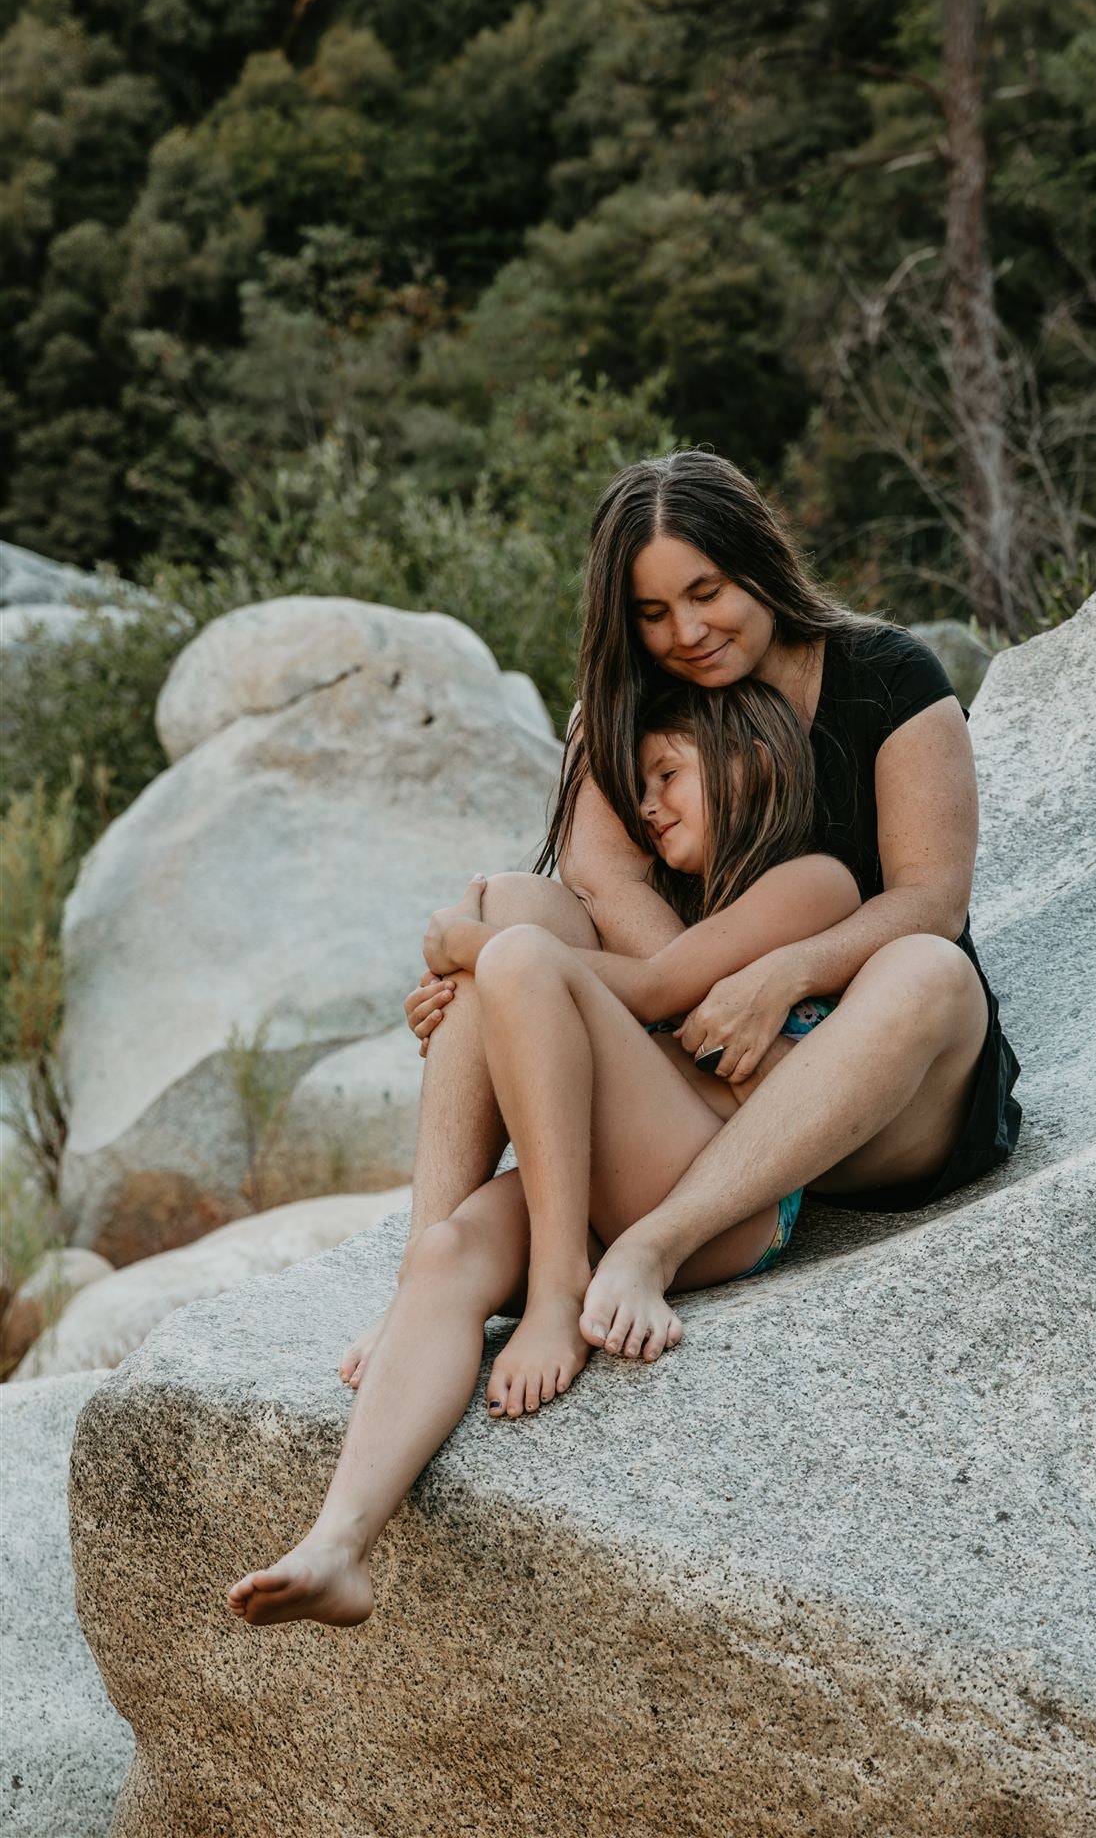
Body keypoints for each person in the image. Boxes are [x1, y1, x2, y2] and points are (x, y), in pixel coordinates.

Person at [339, 446, 1021, 1387]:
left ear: (760, 563)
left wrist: (783, 973)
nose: (688, 632)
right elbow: (603, 891)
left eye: (707, 592)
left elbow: (930, 901)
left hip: (866, 1083)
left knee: (926, 970)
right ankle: (421, 1280)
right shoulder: (624, 713)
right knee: (514, 901)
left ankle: (654, 1246)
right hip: (703, 1074)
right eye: (653, 613)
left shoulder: (888, 676)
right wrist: (497, 990)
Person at [226, 680, 859, 1627]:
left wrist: (468, 946)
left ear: (753, 766)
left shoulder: (814, 882)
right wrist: (469, 975)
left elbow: (651, 992)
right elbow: (603, 996)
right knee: (447, 1254)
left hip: (719, 1203)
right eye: (637, 785)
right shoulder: (657, 893)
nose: (646, 805)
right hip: (612, 1171)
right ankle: (336, 1546)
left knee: (512, 952)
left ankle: (556, 1292)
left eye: (669, 775)